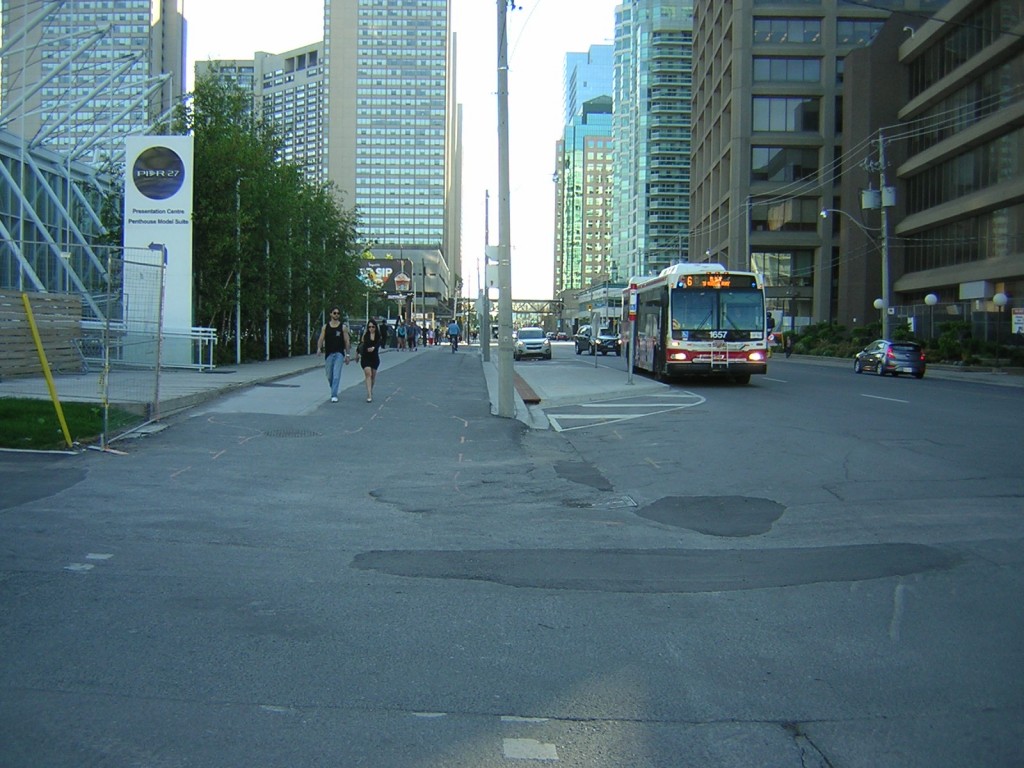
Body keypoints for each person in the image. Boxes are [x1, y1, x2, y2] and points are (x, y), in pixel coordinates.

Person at [316, 307, 351, 402]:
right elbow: (321, 339)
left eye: (338, 313)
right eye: (334, 313)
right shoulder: (325, 327)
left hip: (339, 353)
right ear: (331, 314)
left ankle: (334, 395)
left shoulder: (343, 327)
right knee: (329, 375)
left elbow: (347, 341)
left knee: (336, 375)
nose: (336, 315)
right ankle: (333, 388)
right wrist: (319, 348)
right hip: (329, 354)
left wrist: (347, 355)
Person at [357, 319, 383, 402]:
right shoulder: (365, 335)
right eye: (369, 327)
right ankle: (369, 394)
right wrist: (357, 353)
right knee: (368, 374)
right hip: (365, 357)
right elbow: (360, 345)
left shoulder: (378, 336)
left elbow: (378, 344)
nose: (371, 328)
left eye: (373, 327)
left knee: (373, 376)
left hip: (374, 358)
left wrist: (374, 348)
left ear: (375, 327)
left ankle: (371, 390)